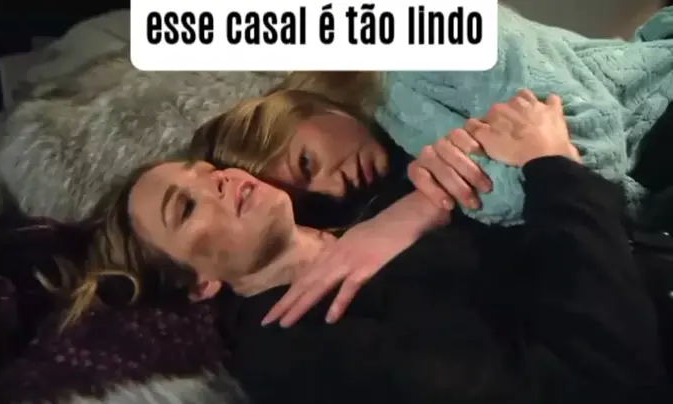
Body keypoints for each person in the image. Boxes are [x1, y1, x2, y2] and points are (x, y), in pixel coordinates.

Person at [46, 90, 667, 403]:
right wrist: (553, 168)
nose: (222, 183)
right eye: (186, 208)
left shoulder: (350, 199)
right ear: (200, 282)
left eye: (207, 173)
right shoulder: (300, 348)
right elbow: (603, 382)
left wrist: (424, 203)